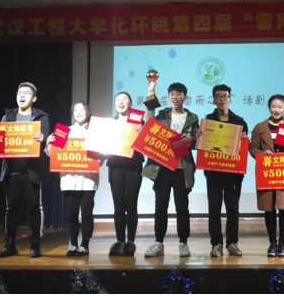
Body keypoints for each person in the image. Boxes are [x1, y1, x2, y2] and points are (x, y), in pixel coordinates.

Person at [0, 82, 50, 258]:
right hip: (11, 170)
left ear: (34, 98)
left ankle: (35, 245)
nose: (22, 95)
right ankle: (10, 245)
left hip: (32, 171)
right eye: (20, 92)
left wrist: (43, 138)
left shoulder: (41, 117)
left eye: (26, 93)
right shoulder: (7, 117)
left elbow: (47, 139)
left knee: (34, 209)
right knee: (11, 209)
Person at [142, 82, 199, 257]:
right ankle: (158, 243)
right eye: (172, 94)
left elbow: (198, 142)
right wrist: (151, 94)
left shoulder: (193, 118)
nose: (175, 97)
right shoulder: (162, 115)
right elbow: (148, 124)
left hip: (182, 168)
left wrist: (191, 140)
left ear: (185, 97)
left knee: (182, 208)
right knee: (161, 207)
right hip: (162, 168)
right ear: (168, 97)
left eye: (178, 94)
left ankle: (183, 243)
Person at [195, 84, 249, 257]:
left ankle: (232, 243)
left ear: (230, 99)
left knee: (233, 210)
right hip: (213, 174)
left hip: (233, 175)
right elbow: (201, 147)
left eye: (225, 96)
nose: (222, 99)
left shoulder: (240, 122)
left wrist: (245, 139)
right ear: (213, 100)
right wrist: (198, 138)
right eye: (218, 96)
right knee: (214, 210)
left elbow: (243, 148)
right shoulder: (207, 122)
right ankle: (216, 244)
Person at [45, 101, 99, 257]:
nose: (79, 112)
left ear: (88, 112)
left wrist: (99, 158)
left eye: (82, 109)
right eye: (76, 110)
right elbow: (52, 154)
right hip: (68, 179)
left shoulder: (95, 132)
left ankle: (85, 245)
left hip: (88, 180)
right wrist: (49, 144)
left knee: (87, 214)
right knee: (71, 214)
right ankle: (73, 244)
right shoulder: (64, 132)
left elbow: (101, 155)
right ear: (72, 114)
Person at [249, 94, 284, 257]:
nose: (276, 110)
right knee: (269, 209)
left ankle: (282, 243)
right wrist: (262, 153)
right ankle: (272, 243)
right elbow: (252, 148)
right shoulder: (260, 127)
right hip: (267, 172)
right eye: (273, 106)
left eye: (280, 107)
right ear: (269, 108)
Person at [106, 92, 145, 256]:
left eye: (124, 99)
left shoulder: (138, 121)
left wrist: (142, 132)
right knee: (118, 206)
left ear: (130, 103)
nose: (120, 102)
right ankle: (120, 242)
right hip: (115, 168)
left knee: (131, 205)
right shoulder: (110, 123)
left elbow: (145, 144)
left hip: (133, 167)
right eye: (118, 100)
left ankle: (130, 243)